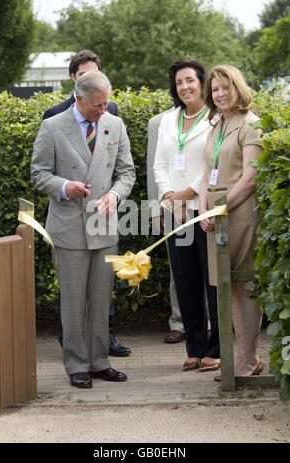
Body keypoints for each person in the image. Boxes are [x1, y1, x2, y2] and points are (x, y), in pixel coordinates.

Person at [31, 70, 135, 388]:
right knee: (73, 300)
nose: (103, 111)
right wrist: (64, 186)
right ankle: (76, 363)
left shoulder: (114, 124)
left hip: (104, 226)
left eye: (106, 104)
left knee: (101, 299)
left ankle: (100, 360)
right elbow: (38, 174)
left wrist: (115, 195)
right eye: (97, 106)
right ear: (79, 98)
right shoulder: (52, 126)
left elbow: (126, 172)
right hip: (68, 228)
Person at [153, 58, 220, 372]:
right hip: (176, 214)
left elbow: (213, 164)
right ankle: (194, 347)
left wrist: (187, 194)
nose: (185, 87)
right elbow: (159, 165)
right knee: (185, 282)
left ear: (201, 83)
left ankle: (217, 349)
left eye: (190, 80)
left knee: (213, 281)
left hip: (204, 212)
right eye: (179, 82)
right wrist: (169, 197)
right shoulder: (169, 120)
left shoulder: (215, 119)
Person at [200, 64, 263, 380]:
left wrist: (221, 208)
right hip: (216, 218)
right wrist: (203, 209)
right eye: (215, 89)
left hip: (238, 216)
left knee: (242, 287)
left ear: (238, 87)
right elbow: (206, 172)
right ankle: (241, 360)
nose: (220, 93)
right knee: (227, 288)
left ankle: (248, 361)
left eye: (226, 87)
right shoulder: (216, 125)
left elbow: (250, 177)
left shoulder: (251, 125)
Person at [147, 110, 186, 343]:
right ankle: (179, 322)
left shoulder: (214, 116)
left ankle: (213, 323)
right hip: (172, 206)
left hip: (204, 204)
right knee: (178, 269)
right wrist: (154, 211)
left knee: (210, 267)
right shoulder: (159, 122)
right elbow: (154, 169)